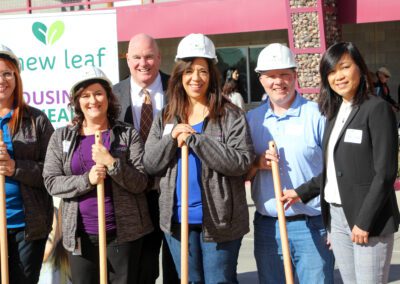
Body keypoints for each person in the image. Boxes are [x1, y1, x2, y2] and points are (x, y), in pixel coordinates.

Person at [282, 42, 400, 284]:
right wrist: (300, 192)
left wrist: (364, 221)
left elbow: (385, 173)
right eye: (332, 72)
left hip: (368, 220)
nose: (339, 76)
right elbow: (334, 171)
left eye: (344, 67)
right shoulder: (334, 113)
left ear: (359, 67)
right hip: (336, 216)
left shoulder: (377, 109)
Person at [143, 33, 255, 283]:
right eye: (189, 71)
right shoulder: (167, 116)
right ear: (180, 75)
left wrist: (197, 139)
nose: (196, 78)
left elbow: (241, 162)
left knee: (219, 281)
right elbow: (149, 162)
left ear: (212, 74)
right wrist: (172, 139)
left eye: (202, 71)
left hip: (221, 221)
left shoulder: (229, 115)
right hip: (176, 221)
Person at [43, 66, 153, 284]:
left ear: (108, 97)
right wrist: (88, 180)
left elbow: (142, 181)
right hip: (81, 236)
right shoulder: (62, 137)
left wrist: (112, 164)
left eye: (98, 93)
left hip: (123, 236)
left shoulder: (127, 134)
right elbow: (51, 181)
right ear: (76, 102)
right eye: (85, 95)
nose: (92, 100)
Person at [246, 43, 334, 284]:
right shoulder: (252, 120)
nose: (278, 82)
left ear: (295, 76)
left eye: (285, 74)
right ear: (261, 79)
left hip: (312, 225)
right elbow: (240, 169)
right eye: (271, 76)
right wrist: (256, 163)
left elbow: (335, 171)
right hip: (268, 227)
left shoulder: (317, 115)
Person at [112, 33, 179, 284]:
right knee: (142, 270)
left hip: (173, 193)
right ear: (127, 59)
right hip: (132, 197)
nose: (144, 63)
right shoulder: (113, 96)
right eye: (137, 57)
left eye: (149, 57)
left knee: (177, 267)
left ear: (159, 58)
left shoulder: (179, 90)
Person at [0, 44, 54, 283]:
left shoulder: (36, 119)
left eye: (7, 73)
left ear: (16, 77)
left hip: (27, 226)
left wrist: (14, 167)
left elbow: (53, 171)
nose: (1, 80)